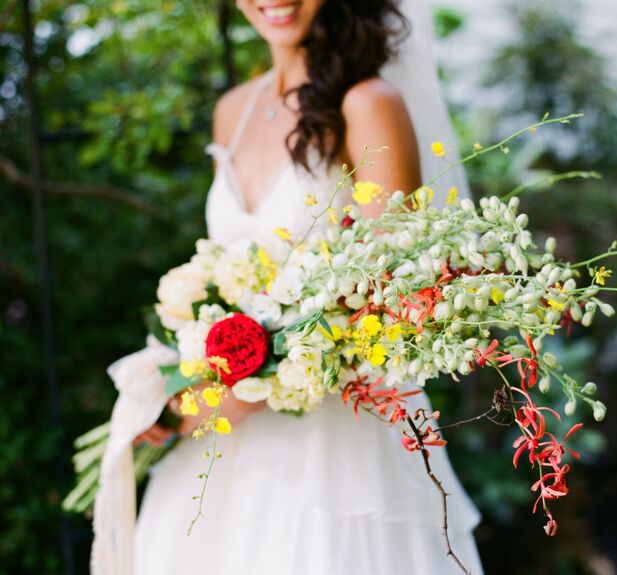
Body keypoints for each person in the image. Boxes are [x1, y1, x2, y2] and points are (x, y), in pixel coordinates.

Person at [91, 1, 484, 573]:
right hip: (221, 443)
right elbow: (230, 276)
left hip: (339, 441)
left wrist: (239, 387)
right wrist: (184, 380)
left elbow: (394, 298)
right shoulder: (234, 110)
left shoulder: (368, 103)